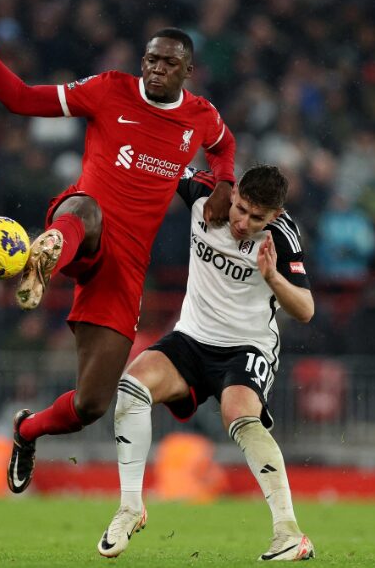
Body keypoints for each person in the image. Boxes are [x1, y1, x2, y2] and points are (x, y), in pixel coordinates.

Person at [0, 0, 236, 494]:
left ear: (187, 71)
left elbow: (224, 145)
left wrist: (225, 183)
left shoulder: (200, 116)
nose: (155, 70)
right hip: (83, 223)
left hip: (125, 266)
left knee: (91, 404)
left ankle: (26, 430)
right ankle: (46, 254)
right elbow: (19, 98)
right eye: (150, 59)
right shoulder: (108, 89)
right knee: (84, 208)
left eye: (168, 63)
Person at [98, 165, 315, 561]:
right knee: (132, 386)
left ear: (276, 216)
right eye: (242, 209)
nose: (244, 223)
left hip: (247, 346)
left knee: (238, 413)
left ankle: (288, 532)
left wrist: (273, 278)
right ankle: (130, 508)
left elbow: (305, 310)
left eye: (258, 218)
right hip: (192, 338)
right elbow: (154, 161)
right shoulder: (202, 192)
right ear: (234, 194)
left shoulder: (282, 236)